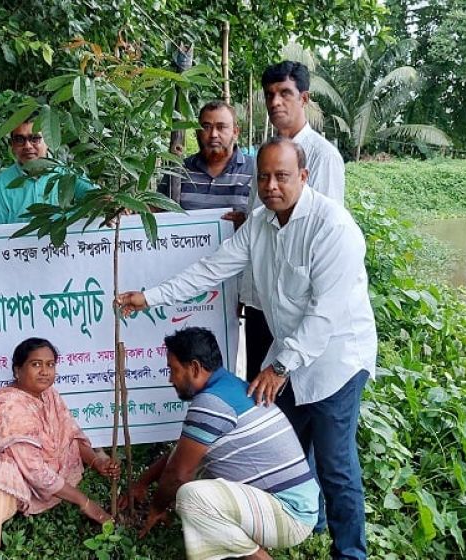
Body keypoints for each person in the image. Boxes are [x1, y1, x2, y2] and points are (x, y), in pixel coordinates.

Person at [117, 137, 376, 559]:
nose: (271, 186)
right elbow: (209, 270)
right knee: (283, 445)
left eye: (282, 176)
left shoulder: (333, 228)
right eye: (264, 177)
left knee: (336, 464)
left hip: (336, 360)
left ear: (304, 176)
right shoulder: (259, 223)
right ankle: (291, 522)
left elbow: (325, 315)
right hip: (286, 356)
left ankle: (349, 553)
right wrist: (149, 297)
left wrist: (279, 368)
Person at [125, 327, 318, 560]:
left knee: (191, 496)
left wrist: (155, 509)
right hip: (292, 504)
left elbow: (178, 474)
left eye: (173, 370)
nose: (170, 379)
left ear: (194, 367)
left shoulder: (211, 403)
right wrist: (143, 483)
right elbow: (182, 453)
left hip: (290, 514)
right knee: (195, 471)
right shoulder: (228, 387)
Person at [0, 338, 120, 548]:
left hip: (29, 474)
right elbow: (34, 471)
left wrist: (97, 462)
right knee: (2, 468)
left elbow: (70, 435)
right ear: (17, 370)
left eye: (50, 364)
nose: (45, 372)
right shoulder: (9, 406)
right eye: (36, 364)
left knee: (51, 445)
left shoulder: (49, 395)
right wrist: (85, 502)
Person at [243, 61, 346, 382]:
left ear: (304, 98)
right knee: (258, 391)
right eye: (269, 94)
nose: (275, 102)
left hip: (299, 305)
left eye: (285, 93)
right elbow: (259, 221)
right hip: (260, 299)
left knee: (297, 390)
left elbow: (325, 235)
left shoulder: (323, 156)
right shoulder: (264, 154)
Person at [158, 100, 254, 228]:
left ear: (235, 132)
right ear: (198, 132)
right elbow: (156, 209)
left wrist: (248, 222)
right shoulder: (178, 170)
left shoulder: (255, 171)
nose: (213, 134)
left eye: (221, 127)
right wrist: (134, 211)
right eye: (207, 127)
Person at [0, 120, 93, 225]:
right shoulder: (0, 185)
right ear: (12, 145)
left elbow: (96, 198)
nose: (27, 146)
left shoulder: (68, 173)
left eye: (35, 138)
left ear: (48, 141)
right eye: (19, 139)